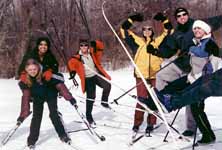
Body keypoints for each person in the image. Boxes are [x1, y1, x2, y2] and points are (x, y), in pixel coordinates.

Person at [142, 20, 222, 144]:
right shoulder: (199, 43)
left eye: (199, 29)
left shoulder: (209, 43)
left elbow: (208, 57)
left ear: (206, 31)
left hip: (204, 81)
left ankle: (208, 135)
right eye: (195, 29)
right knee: (173, 86)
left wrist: (192, 49)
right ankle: (153, 102)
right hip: (192, 77)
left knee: (196, 108)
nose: (196, 30)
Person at [120, 12, 173, 133]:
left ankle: (151, 123)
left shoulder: (158, 42)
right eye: (145, 29)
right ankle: (137, 123)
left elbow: (169, 32)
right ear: (142, 31)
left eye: (150, 29)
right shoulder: (136, 42)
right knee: (141, 100)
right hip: (141, 76)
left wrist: (164, 20)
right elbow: (124, 30)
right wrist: (131, 19)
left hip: (155, 76)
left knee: (154, 100)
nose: (147, 31)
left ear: (152, 31)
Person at [17, 37, 77, 125]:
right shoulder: (30, 55)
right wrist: (22, 73)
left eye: (45, 45)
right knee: (25, 88)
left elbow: (55, 66)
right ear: (38, 45)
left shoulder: (50, 55)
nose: (43, 47)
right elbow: (22, 67)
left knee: (57, 80)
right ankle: (24, 112)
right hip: (35, 83)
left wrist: (50, 71)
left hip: (47, 84)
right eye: (41, 44)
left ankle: (68, 97)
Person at [20, 59, 73, 148]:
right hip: (38, 98)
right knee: (36, 117)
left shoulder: (45, 74)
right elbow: (25, 97)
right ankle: (31, 140)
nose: (32, 71)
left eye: (34, 69)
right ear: (26, 70)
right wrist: (23, 113)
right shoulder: (25, 80)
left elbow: (60, 83)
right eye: (30, 70)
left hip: (50, 95)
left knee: (53, 114)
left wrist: (69, 97)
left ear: (38, 68)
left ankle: (63, 135)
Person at [67, 39, 111, 127]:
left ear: (88, 46)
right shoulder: (77, 57)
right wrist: (72, 72)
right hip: (87, 79)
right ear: (79, 47)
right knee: (91, 97)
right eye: (82, 45)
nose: (84, 47)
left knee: (107, 85)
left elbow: (100, 47)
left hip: (95, 75)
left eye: (85, 45)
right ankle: (89, 116)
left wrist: (96, 43)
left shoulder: (92, 52)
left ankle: (104, 102)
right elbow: (70, 64)